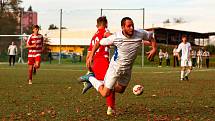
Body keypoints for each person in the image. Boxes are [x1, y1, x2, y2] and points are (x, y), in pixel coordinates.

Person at [79, 17, 157, 110]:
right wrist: (91, 55)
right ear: (123, 27)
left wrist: (154, 48)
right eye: (128, 26)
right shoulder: (116, 37)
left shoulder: (140, 33)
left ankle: (103, 83)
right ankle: (90, 78)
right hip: (115, 68)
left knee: (121, 90)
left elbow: (151, 37)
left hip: (127, 69)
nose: (131, 28)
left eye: (132, 25)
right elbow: (98, 43)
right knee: (105, 93)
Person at [81, 16, 115, 115]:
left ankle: (92, 79)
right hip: (102, 60)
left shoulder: (94, 36)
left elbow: (89, 55)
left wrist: (89, 66)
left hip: (95, 62)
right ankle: (110, 107)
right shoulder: (105, 30)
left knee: (108, 83)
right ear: (106, 24)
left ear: (97, 25)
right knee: (110, 84)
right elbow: (111, 37)